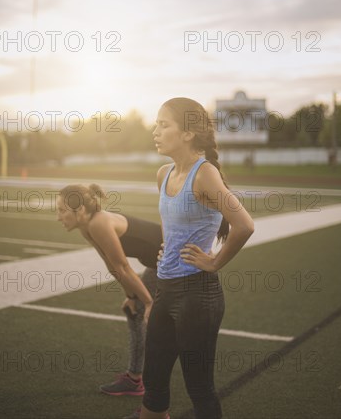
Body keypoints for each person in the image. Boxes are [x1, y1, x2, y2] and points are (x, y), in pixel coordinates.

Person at [137, 97, 254, 419]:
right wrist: (166, 249)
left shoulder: (205, 174)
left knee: (199, 388)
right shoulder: (164, 174)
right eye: (156, 124)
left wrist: (215, 262)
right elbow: (170, 225)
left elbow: (244, 225)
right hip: (167, 288)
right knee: (154, 382)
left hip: (198, 295)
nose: (155, 131)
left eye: (164, 125)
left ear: (188, 133)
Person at [57, 184, 162, 401]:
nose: (58, 217)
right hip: (158, 261)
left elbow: (123, 266)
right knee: (134, 312)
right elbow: (112, 267)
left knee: (158, 318)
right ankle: (135, 378)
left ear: (81, 211)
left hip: (172, 258)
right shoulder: (87, 227)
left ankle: (139, 382)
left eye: (61, 210)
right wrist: (132, 297)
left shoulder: (99, 223)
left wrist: (148, 302)